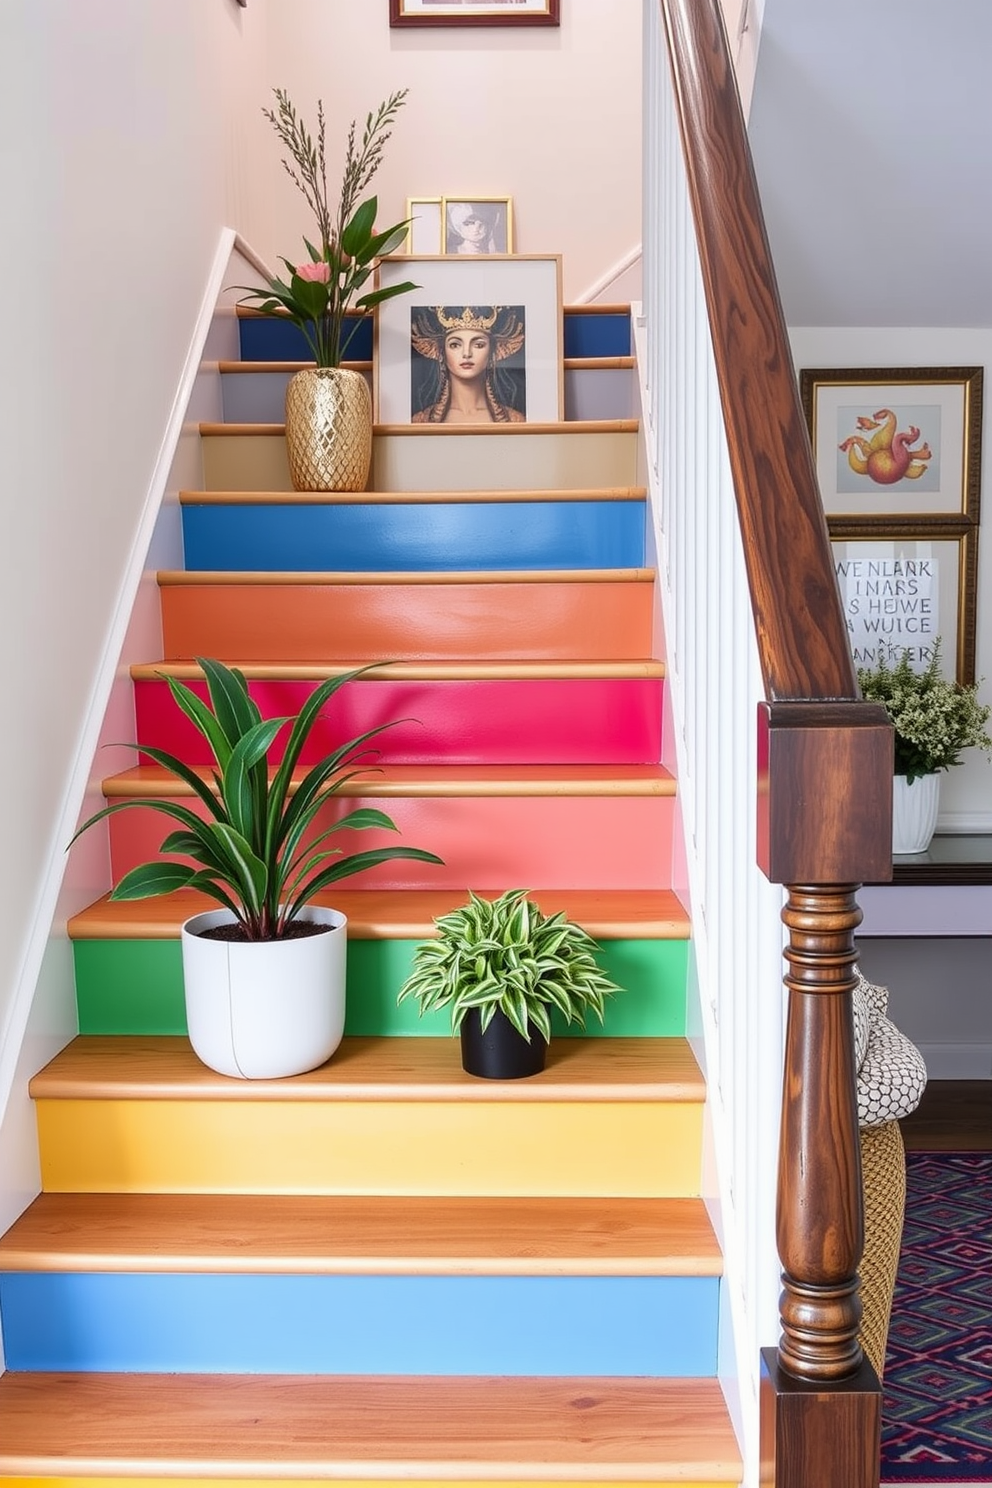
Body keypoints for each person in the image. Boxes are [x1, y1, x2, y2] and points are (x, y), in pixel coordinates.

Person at [410, 305, 525, 423]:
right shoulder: (421, 420)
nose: (467, 353)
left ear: (492, 352)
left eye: (479, 345)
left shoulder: (515, 420)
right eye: (455, 345)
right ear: (442, 352)